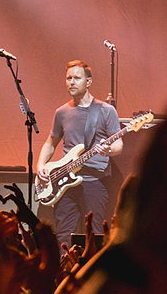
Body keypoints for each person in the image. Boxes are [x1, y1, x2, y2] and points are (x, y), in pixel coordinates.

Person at [36, 60, 122, 248]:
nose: (71, 82)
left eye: (76, 78)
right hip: (64, 184)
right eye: (68, 78)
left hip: (95, 182)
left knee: (95, 234)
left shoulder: (106, 111)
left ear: (88, 82)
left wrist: (108, 150)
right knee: (63, 236)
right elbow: (51, 142)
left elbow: (118, 144)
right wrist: (41, 165)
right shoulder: (62, 112)